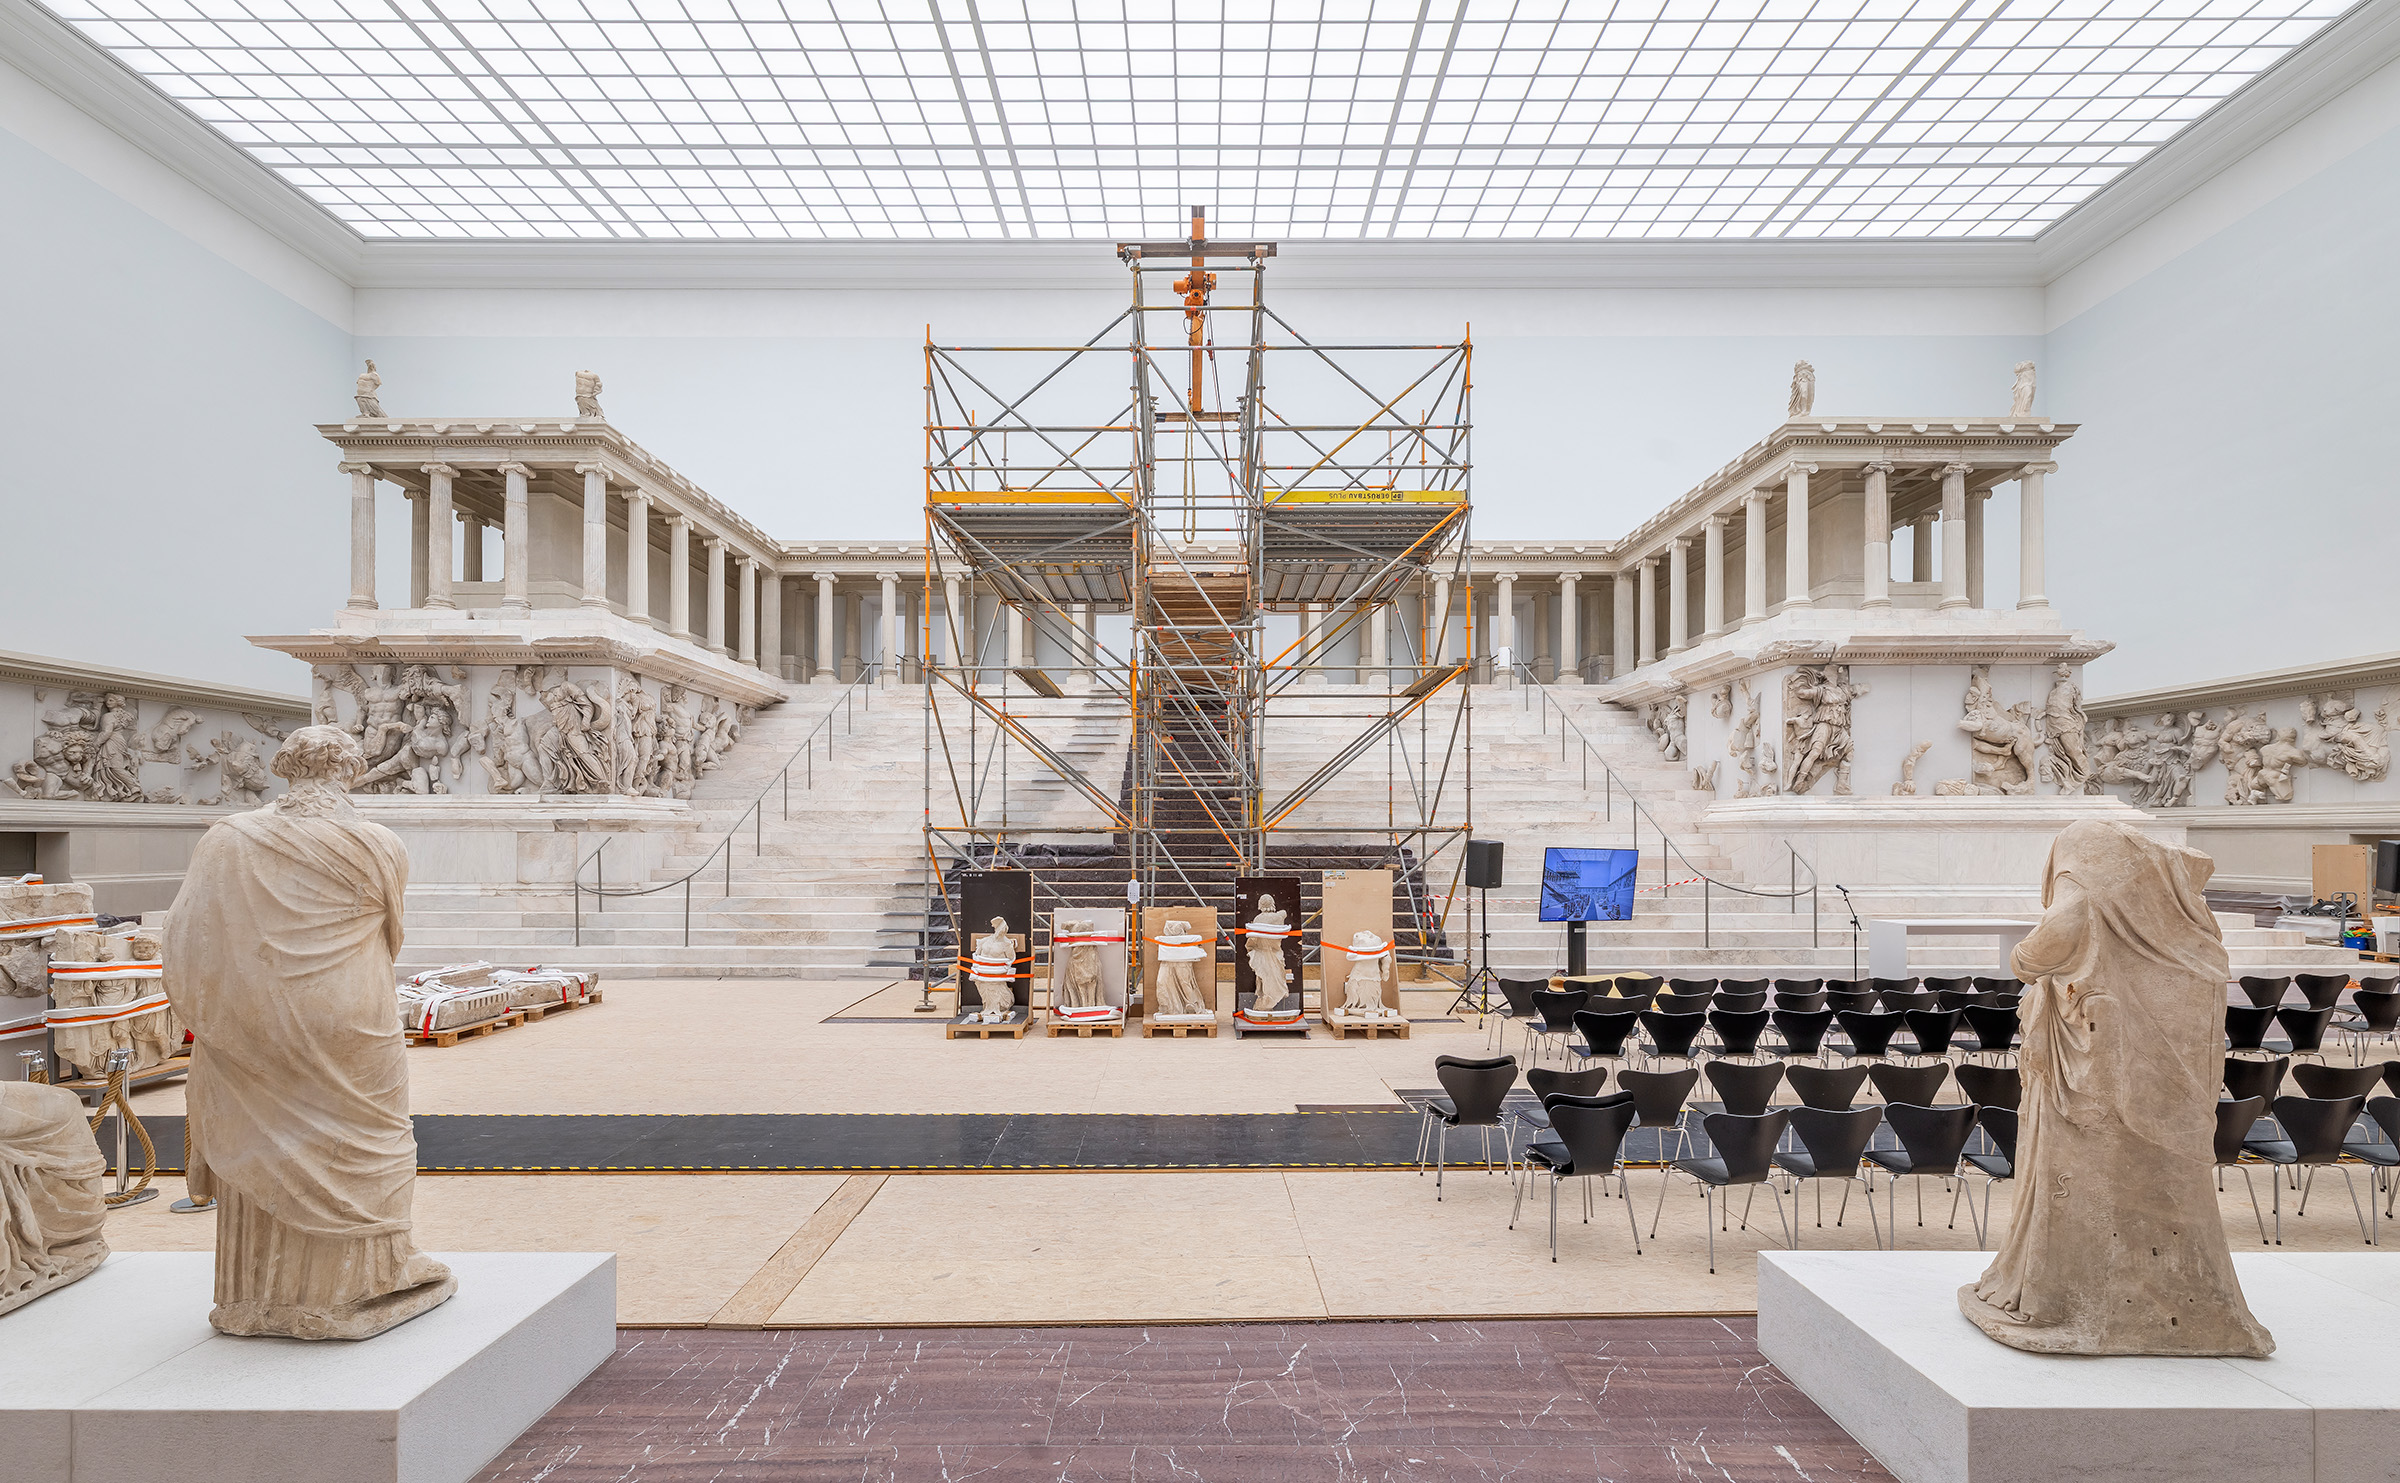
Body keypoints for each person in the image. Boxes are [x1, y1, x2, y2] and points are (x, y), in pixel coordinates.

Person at [164, 725, 455, 1339]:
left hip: (256, 1016)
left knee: (268, 1135)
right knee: (370, 1137)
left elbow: (187, 942)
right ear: (349, 771)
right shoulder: (379, 844)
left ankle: (253, 1296)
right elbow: (388, 937)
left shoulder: (228, 839)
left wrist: (225, 1017)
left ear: (284, 767)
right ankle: (371, 1275)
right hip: (350, 1014)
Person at [1959, 820, 2272, 1357]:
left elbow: (2055, 935)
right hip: (2168, 1086)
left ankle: (2079, 1300)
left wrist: (2021, 962)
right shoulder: (2189, 927)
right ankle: (2185, 1307)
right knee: (2161, 1182)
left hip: (2098, 1071)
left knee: (2092, 1178)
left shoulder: (2085, 850)